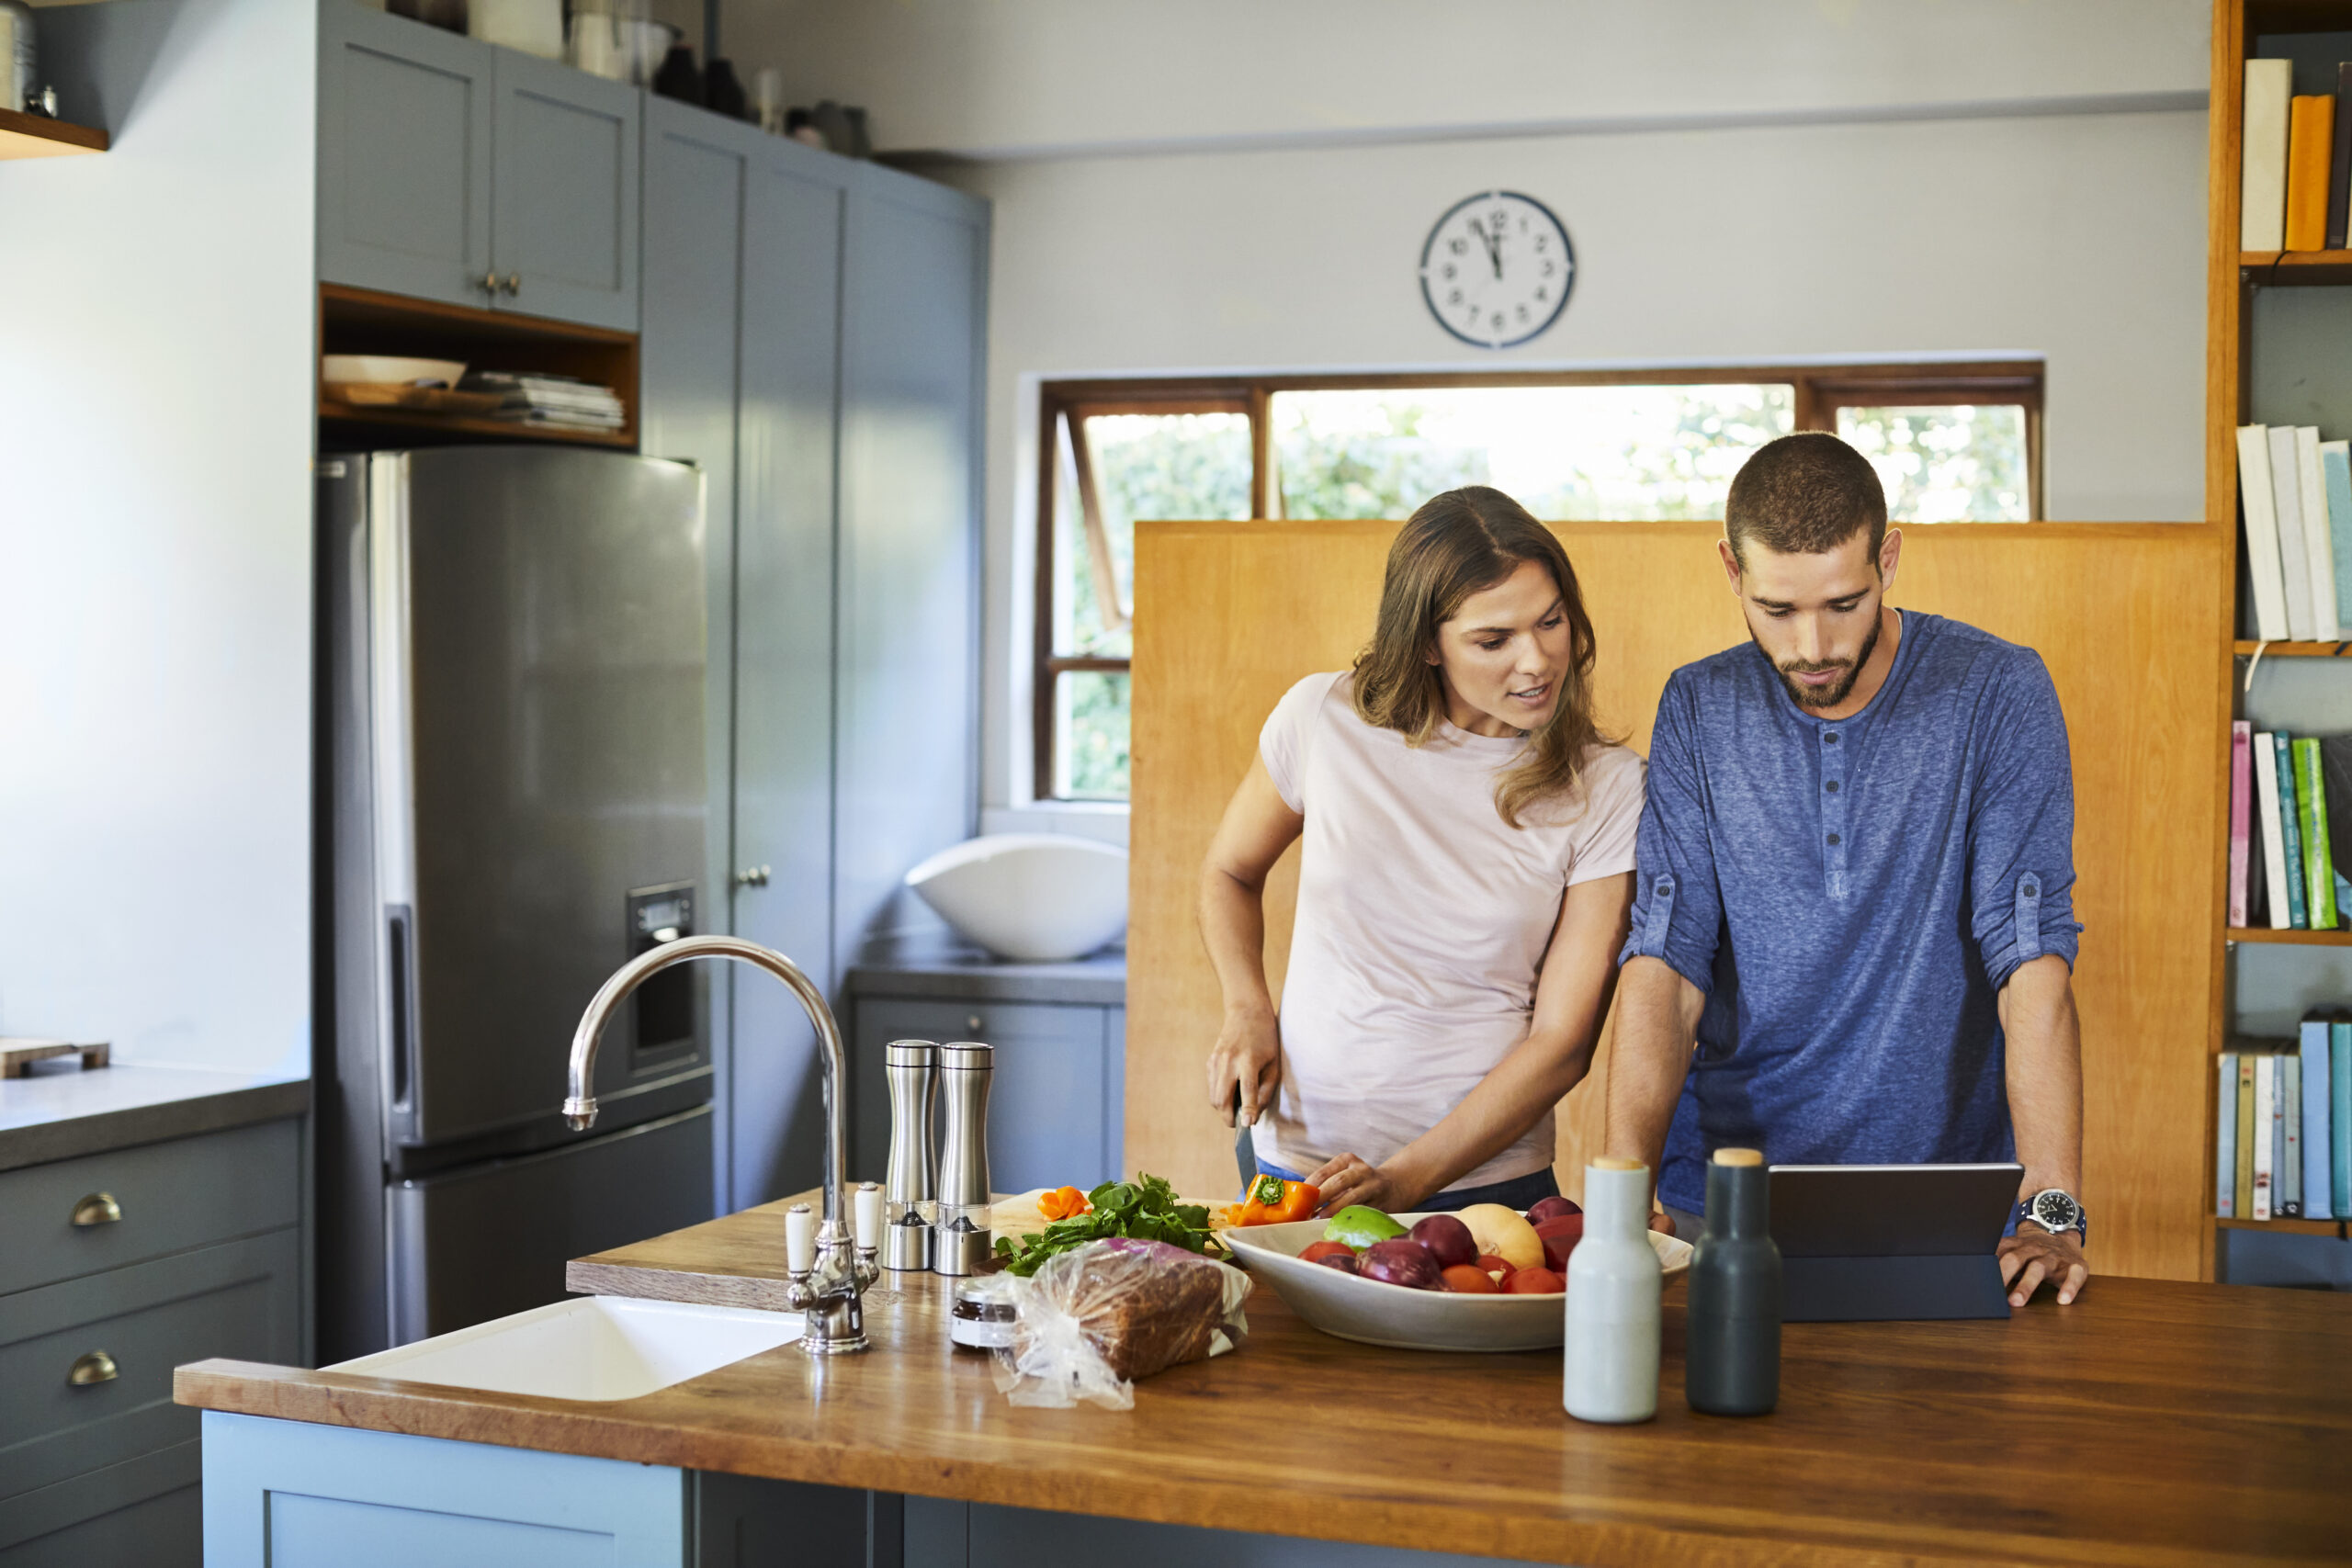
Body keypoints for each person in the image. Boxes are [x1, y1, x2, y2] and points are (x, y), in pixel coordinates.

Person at [1605, 432, 2090, 1307]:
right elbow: (1663, 965)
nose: (1813, 644)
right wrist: (1620, 1190)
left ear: (1889, 556)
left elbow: (2033, 961)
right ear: (1731, 570)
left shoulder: (1998, 691)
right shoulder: (1698, 704)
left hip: (1943, 1203)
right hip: (1718, 1199)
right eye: (1777, 609)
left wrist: (2053, 1213)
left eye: (1844, 602)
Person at [1198, 486, 1645, 1216]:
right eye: (1493, 639)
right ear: (1428, 643)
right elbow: (1229, 871)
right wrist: (1246, 1005)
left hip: (1485, 1191)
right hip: (1291, 1162)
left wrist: (1406, 1179)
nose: (1536, 661)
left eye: (1551, 621)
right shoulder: (1323, 718)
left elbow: (1564, 1041)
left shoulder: (1608, 787)